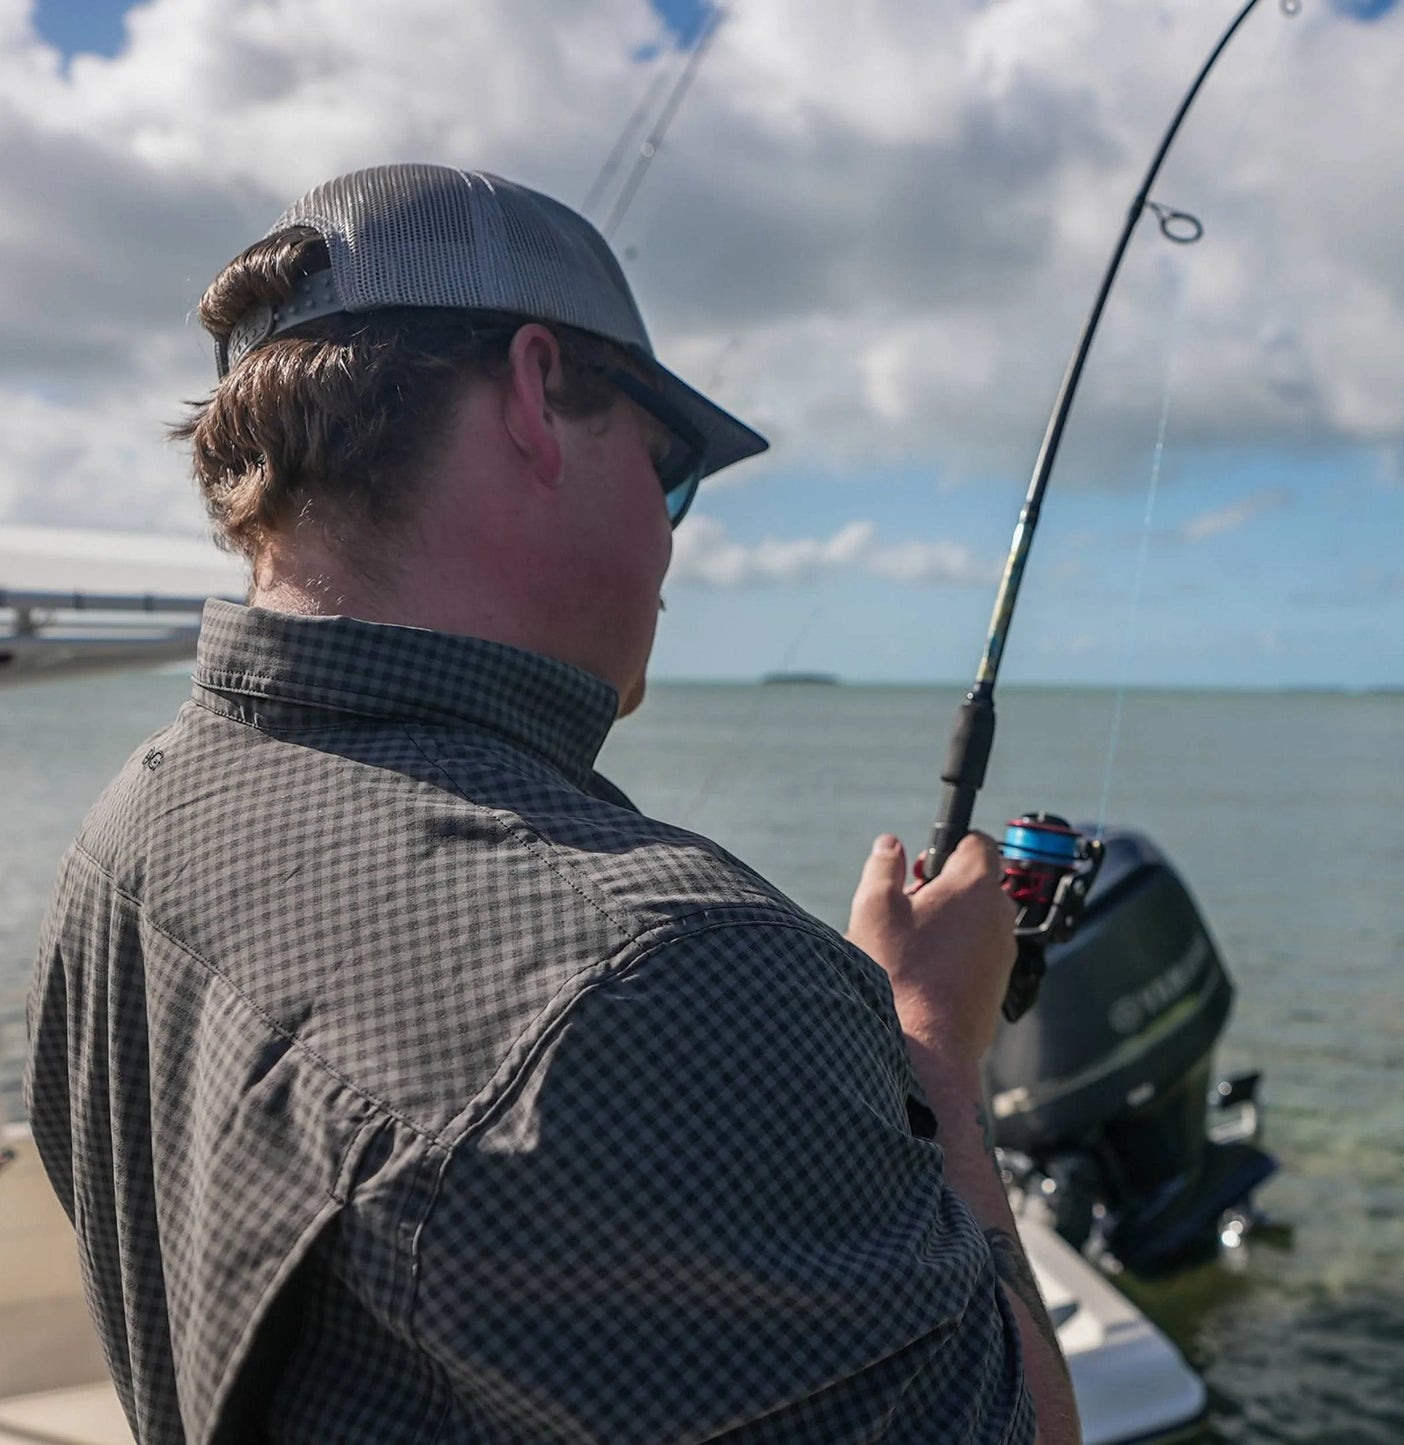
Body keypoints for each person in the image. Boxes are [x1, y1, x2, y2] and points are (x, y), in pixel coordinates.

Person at [25, 164, 1080, 1444]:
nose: (675, 531)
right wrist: (930, 1048)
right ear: (534, 394)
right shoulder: (676, 977)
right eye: (669, 467)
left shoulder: (134, 826)